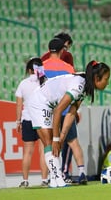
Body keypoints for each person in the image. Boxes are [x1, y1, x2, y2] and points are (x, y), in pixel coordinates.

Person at [26, 60, 110, 187]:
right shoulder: (78, 86)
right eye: (106, 79)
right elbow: (58, 110)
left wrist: (61, 138)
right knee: (49, 142)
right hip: (39, 103)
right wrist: (56, 138)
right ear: (97, 78)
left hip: (46, 104)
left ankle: (55, 180)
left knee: (52, 144)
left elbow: (71, 113)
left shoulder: (85, 84)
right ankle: (57, 178)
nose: (107, 83)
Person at [42, 38, 84, 184]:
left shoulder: (41, 66)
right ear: (62, 50)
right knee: (72, 141)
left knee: (48, 144)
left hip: (48, 110)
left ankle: (48, 177)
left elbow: (39, 88)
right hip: (65, 109)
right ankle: (82, 172)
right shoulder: (68, 68)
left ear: (49, 50)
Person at [15, 58, 49, 188]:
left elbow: (19, 104)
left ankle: (25, 180)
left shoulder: (23, 84)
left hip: (28, 119)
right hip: (41, 120)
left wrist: (18, 121)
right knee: (43, 151)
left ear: (29, 70)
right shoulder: (45, 82)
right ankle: (45, 180)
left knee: (27, 152)